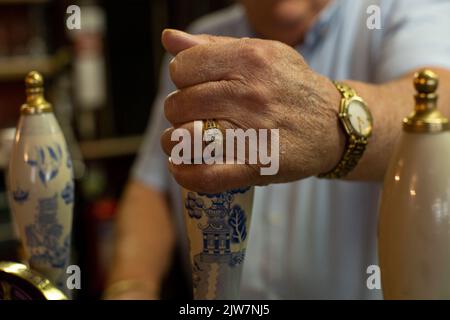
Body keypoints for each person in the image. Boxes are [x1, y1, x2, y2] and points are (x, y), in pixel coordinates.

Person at [105, 0, 450, 299]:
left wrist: (332, 119)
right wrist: (131, 284)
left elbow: (438, 109)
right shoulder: (200, 38)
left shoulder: (397, 11)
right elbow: (154, 185)